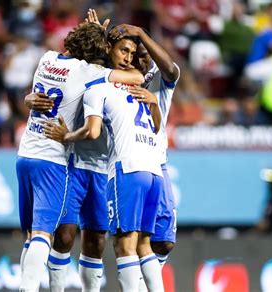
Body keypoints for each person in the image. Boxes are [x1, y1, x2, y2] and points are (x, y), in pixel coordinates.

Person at [16, 22, 144, 291]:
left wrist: (29, 99)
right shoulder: (91, 73)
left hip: (34, 152)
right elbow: (137, 77)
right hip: (63, 160)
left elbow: (37, 91)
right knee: (54, 235)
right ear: (102, 50)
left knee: (43, 236)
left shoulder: (47, 58)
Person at [45, 56, 164, 291]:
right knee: (65, 236)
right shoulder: (89, 75)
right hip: (75, 164)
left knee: (96, 240)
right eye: (122, 51)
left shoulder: (130, 84)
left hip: (104, 169)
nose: (127, 58)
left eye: (131, 53)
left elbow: (149, 74)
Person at [109, 23, 180, 275]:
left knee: (162, 241)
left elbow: (171, 69)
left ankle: (142, 283)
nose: (136, 61)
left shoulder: (159, 78)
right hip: (126, 162)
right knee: (130, 239)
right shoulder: (115, 76)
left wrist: (140, 33)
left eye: (143, 56)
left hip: (156, 163)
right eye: (131, 55)